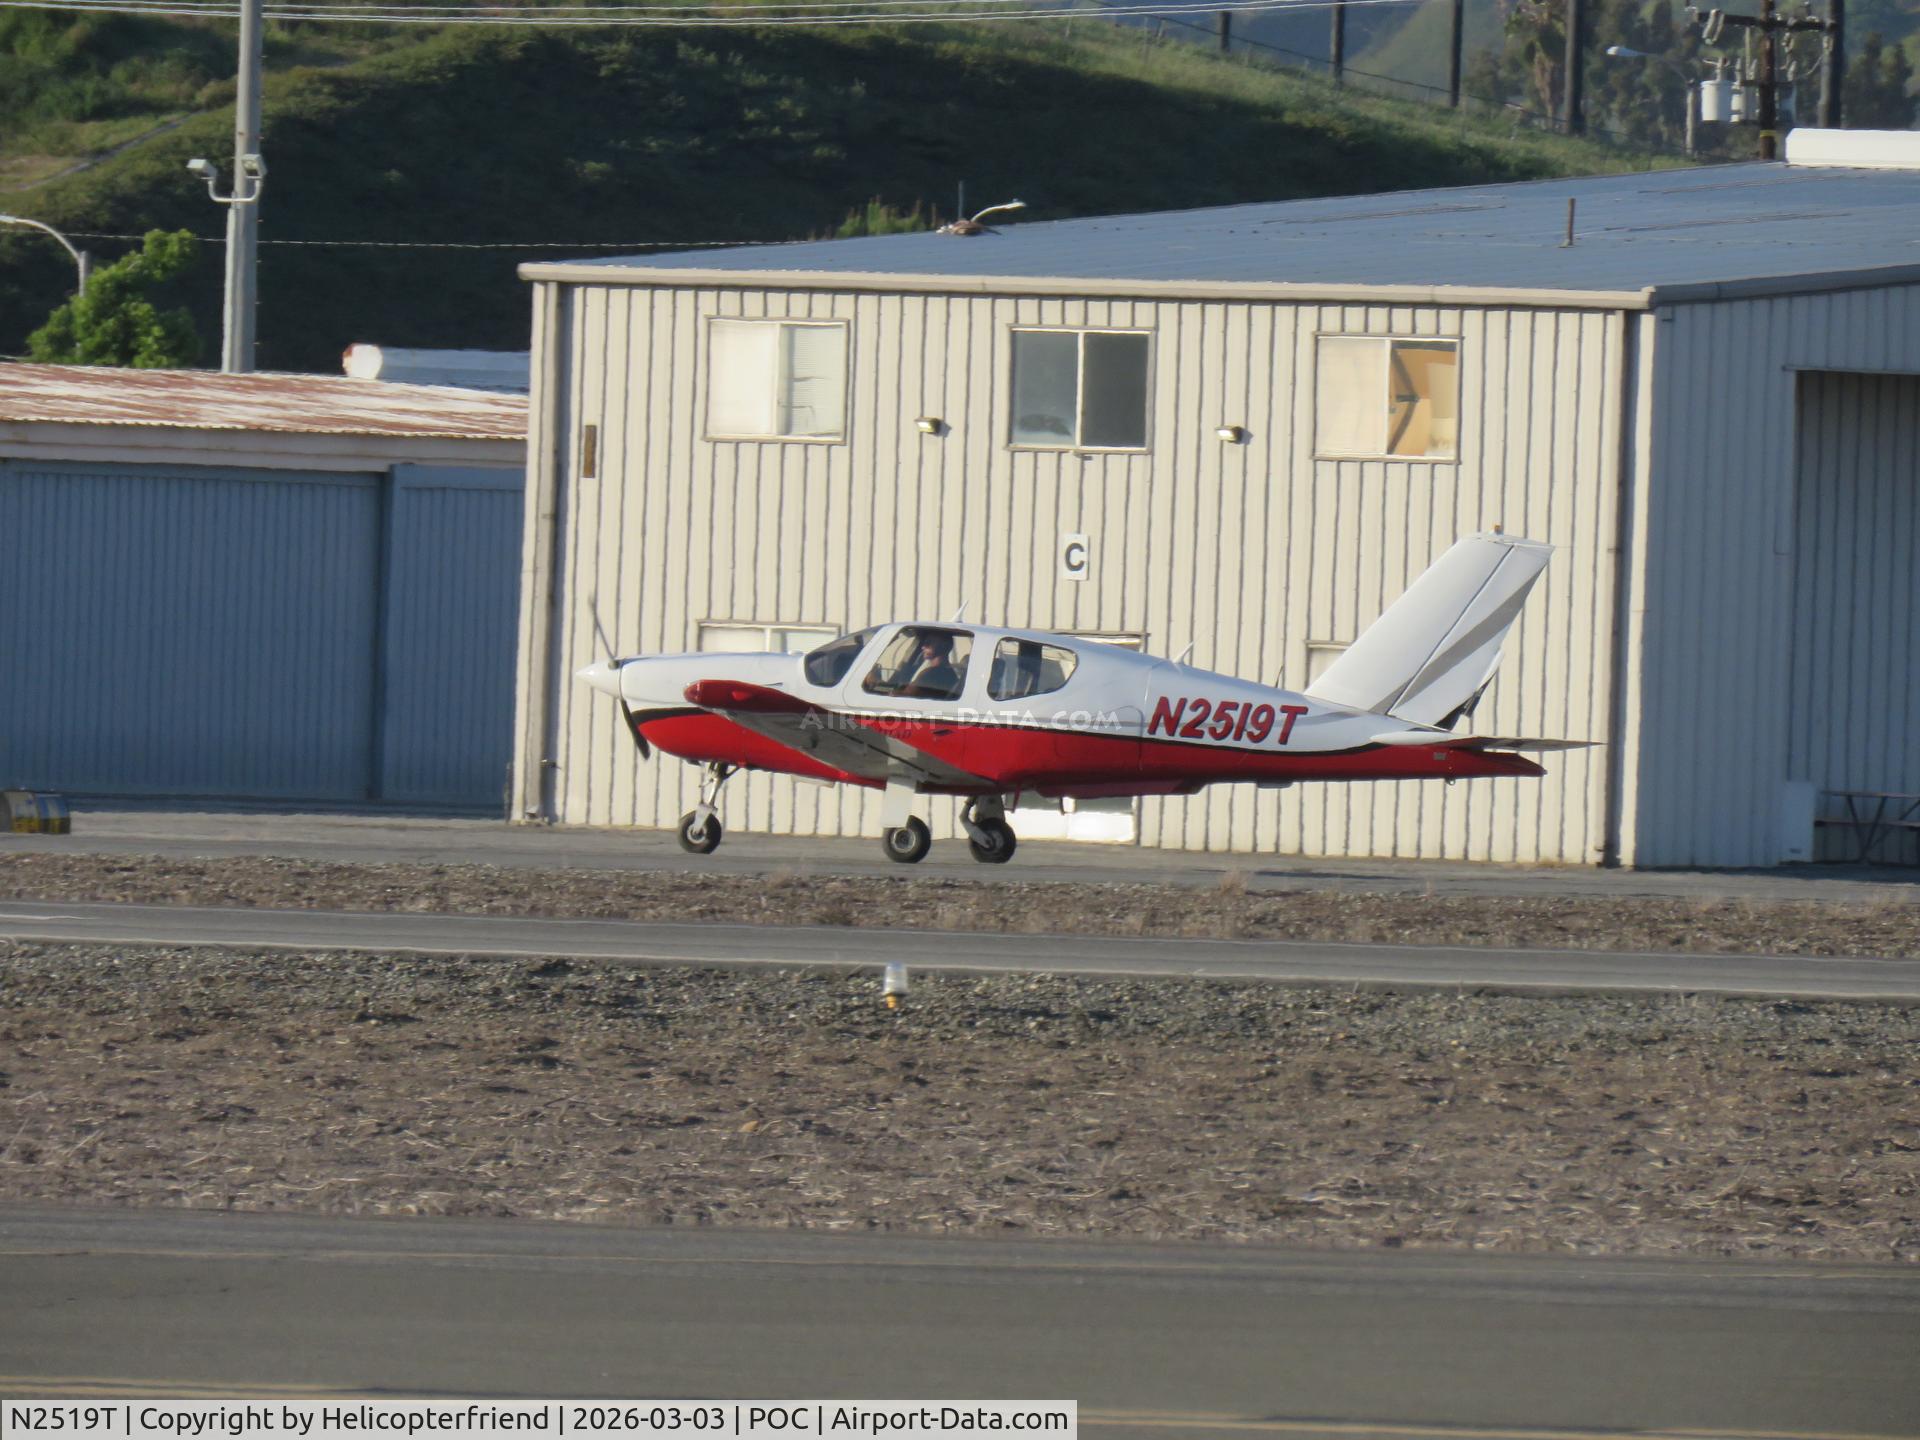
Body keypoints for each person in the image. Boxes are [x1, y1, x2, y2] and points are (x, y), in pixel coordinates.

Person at [901, 630, 961, 698]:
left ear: (943, 646)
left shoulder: (930, 674)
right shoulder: (950, 673)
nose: (923, 647)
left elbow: (904, 696)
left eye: (928, 643)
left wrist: (892, 693)